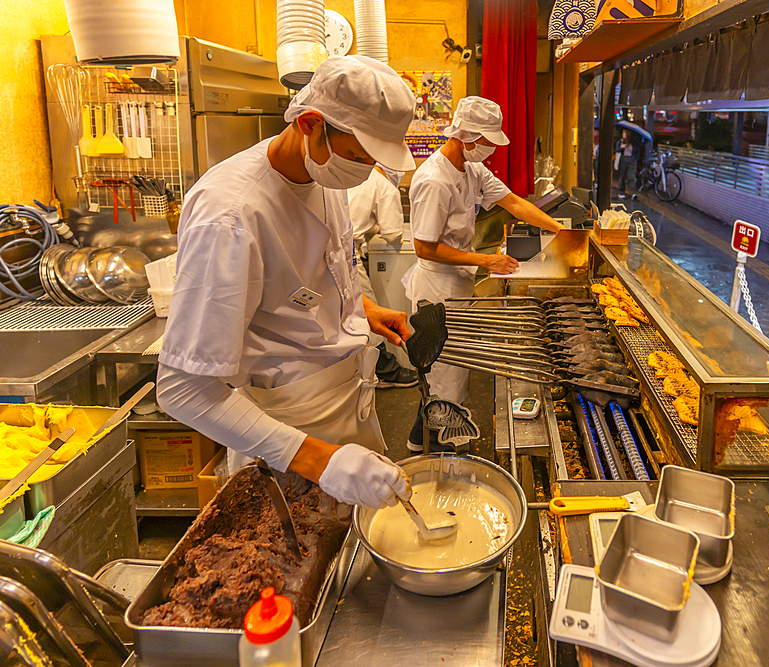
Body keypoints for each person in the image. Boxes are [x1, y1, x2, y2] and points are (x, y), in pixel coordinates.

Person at [155, 56, 417, 510]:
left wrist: (363, 311)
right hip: (286, 435)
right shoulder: (231, 217)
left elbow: (315, 275)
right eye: (358, 156)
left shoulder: (323, 172)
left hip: (347, 403)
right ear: (312, 123)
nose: (364, 170)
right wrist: (318, 459)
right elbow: (183, 389)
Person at [402, 95, 566, 452]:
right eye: (487, 141)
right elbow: (424, 247)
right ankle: (442, 458)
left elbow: (515, 203)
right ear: (466, 135)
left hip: (457, 283)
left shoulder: (472, 170)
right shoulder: (434, 179)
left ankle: (419, 439)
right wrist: (486, 261)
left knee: (446, 372)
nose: (491, 148)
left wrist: (562, 231)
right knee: (446, 376)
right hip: (436, 289)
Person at [347, 164, 419, 389]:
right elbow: (393, 234)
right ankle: (387, 371)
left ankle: (362, 370)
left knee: (350, 313)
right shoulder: (385, 186)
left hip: (331, 250)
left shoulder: (354, 174)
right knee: (368, 313)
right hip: (348, 254)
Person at [615, 128, 644, 199]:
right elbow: (617, 150)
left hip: (631, 160)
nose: (623, 134)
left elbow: (637, 151)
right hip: (623, 160)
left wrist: (635, 160)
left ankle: (633, 193)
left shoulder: (633, 142)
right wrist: (622, 147)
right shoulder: (621, 141)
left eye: (624, 133)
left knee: (632, 177)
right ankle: (622, 192)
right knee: (622, 176)